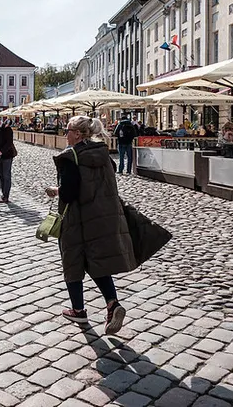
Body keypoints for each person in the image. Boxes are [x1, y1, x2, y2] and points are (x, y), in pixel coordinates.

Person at [44, 115, 137, 335]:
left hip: (77, 218)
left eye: (67, 130)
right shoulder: (102, 153)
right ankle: (112, 303)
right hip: (102, 217)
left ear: (77, 134)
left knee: (73, 260)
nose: (64, 134)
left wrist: (56, 191)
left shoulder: (71, 156)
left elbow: (69, 192)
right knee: (96, 261)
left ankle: (78, 310)